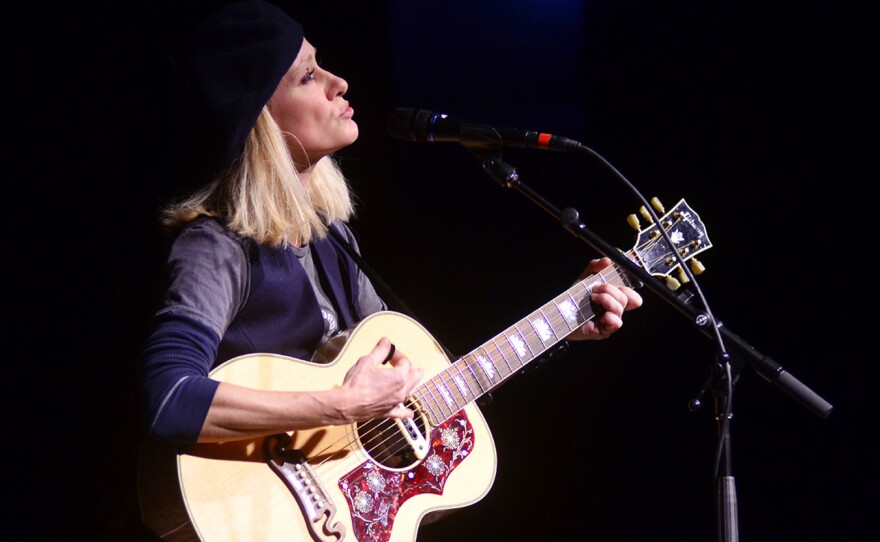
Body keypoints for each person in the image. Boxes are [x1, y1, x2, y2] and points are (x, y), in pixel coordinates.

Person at [138, 0, 642, 537]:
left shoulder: (335, 241)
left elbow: (426, 395)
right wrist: (340, 405)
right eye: (308, 76)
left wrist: (568, 325)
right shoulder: (216, 246)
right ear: (262, 117)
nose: (339, 83)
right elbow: (170, 399)